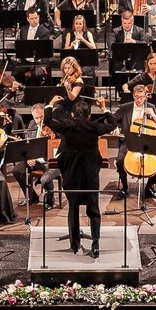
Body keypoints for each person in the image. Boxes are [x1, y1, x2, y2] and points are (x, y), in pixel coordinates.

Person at [44, 93, 116, 257]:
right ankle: (96, 245)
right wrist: (104, 108)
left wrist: (50, 103)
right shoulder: (93, 127)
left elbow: (47, 121)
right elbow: (112, 124)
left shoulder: (67, 126)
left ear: (72, 115)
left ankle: (75, 245)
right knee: (94, 209)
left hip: (72, 174)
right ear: (89, 115)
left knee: (73, 209)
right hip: (90, 174)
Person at [115, 83, 156, 200]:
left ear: (146, 96)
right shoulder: (126, 107)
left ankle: (149, 188)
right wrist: (115, 127)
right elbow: (112, 120)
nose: (139, 100)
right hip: (129, 140)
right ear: (133, 96)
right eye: (136, 97)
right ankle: (124, 188)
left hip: (147, 140)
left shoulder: (151, 107)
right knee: (120, 160)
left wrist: (154, 116)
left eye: (141, 97)